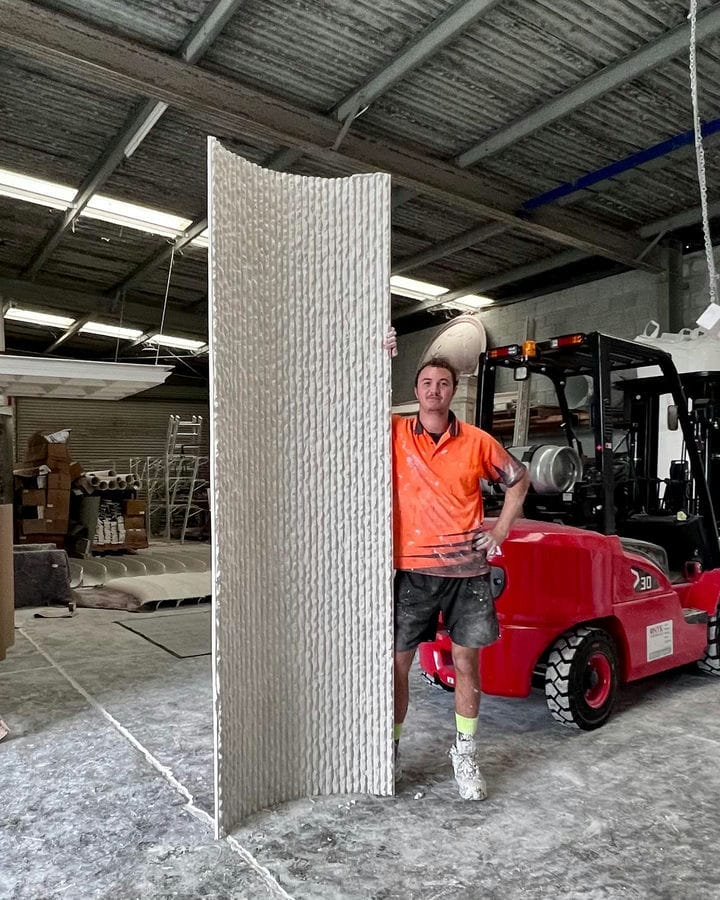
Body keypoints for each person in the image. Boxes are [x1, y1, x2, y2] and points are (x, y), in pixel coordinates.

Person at [383, 326, 529, 800]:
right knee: (397, 665)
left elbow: (518, 478)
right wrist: (378, 355)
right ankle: (392, 750)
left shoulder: (477, 441)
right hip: (414, 572)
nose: (434, 390)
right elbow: (352, 407)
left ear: (452, 392)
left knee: (466, 663)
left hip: (468, 573)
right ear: (417, 391)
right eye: (426, 383)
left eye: (443, 384)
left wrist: (501, 529)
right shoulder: (395, 432)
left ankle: (464, 754)